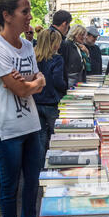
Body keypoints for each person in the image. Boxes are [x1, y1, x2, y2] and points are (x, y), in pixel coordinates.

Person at [0, 0, 46, 217]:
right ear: (7, 16)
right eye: (25, 11)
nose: (30, 16)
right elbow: (23, 87)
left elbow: (30, 80)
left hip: (31, 126)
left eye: (29, 10)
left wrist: (29, 83)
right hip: (6, 131)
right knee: (10, 189)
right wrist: (31, 84)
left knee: (32, 180)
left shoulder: (28, 46)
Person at [33, 29, 67, 166]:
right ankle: (56, 164)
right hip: (51, 102)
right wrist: (65, 87)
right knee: (57, 135)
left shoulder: (33, 58)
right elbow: (58, 81)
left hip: (35, 101)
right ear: (54, 44)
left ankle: (40, 167)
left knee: (40, 137)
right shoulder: (57, 59)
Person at [49, 10, 72, 90]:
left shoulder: (45, 35)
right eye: (68, 25)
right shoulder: (60, 41)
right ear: (64, 24)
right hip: (55, 92)